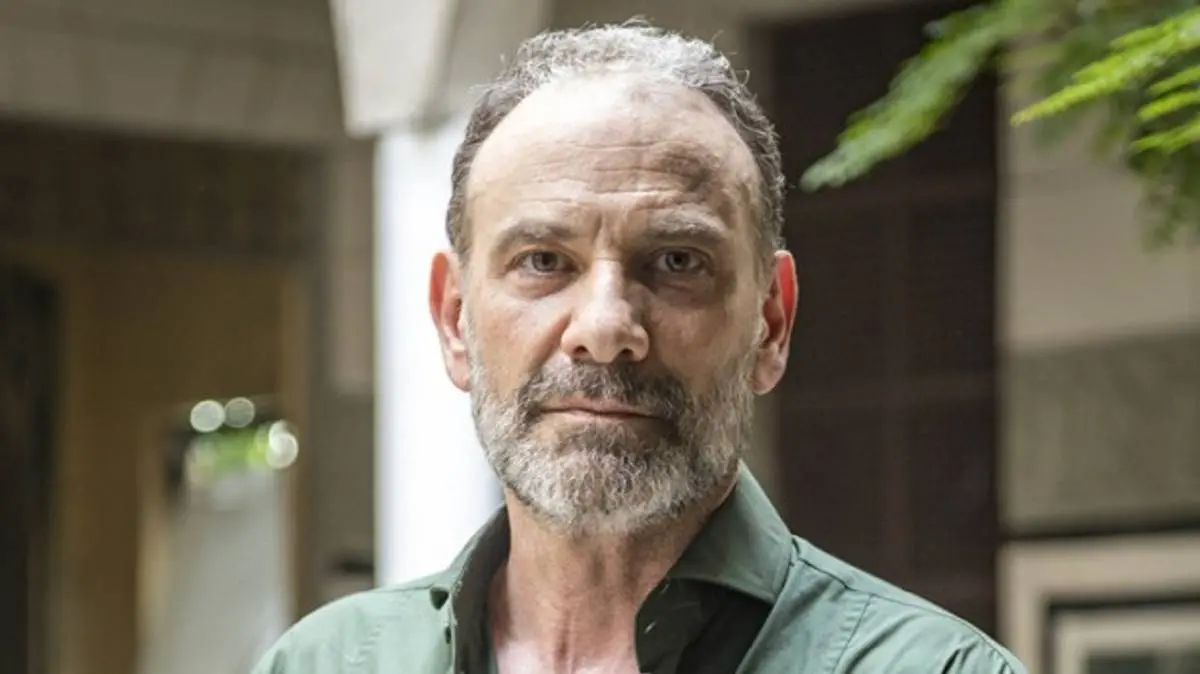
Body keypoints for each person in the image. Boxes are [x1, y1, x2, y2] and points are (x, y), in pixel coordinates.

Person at [253, 21, 1027, 674]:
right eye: (543, 261)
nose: (605, 328)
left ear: (771, 323)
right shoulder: (327, 662)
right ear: (454, 319)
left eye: (677, 262)